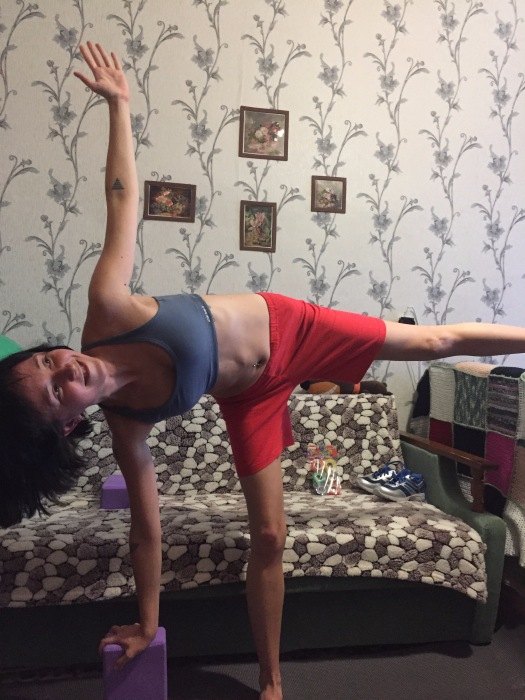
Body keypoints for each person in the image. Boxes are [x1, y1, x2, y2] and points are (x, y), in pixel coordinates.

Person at [2, 42, 525, 700]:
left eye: (47, 359)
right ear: (66, 423)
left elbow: (123, 200)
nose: (64, 367)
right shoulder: (127, 425)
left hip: (291, 327)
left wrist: (119, 105)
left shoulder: (108, 309)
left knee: (432, 340)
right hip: (251, 396)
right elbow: (146, 532)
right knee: (270, 535)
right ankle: (273, 683)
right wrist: (148, 622)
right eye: (55, 389)